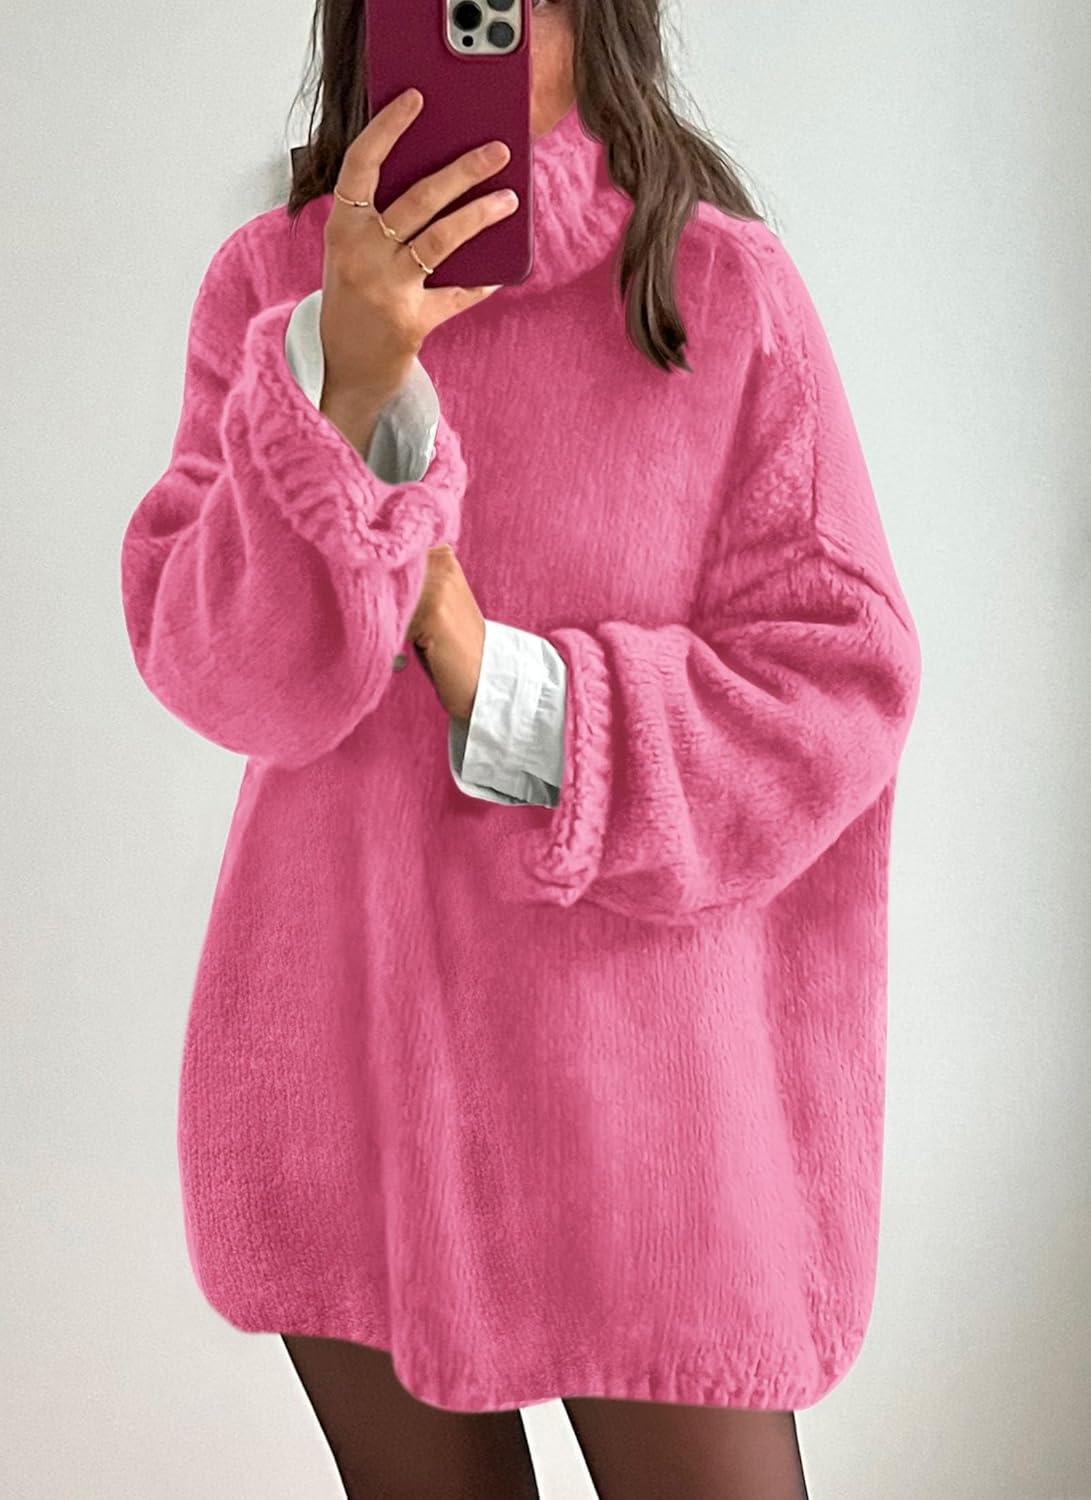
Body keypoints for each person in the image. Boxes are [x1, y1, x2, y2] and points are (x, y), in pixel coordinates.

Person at [118, 0, 922, 1495]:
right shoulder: (273, 288)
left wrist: (505, 684)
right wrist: (345, 384)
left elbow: (839, 685)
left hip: (647, 1107)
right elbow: (224, 676)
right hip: (353, 1073)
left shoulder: (716, 291)